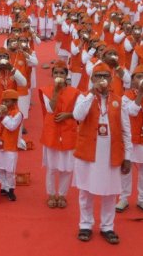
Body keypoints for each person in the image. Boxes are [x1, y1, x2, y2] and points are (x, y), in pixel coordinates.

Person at [72, 62, 133, 245]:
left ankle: (107, 226)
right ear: (92, 79)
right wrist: (92, 93)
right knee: (86, 191)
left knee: (110, 193)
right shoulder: (84, 97)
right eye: (98, 76)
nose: (102, 80)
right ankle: (86, 224)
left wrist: (128, 157)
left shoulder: (120, 100)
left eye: (106, 76)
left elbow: (126, 131)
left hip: (111, 154)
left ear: (112, 79)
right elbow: (77, 115)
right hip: (88, 152)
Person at [117, 65, 143, 215]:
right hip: (130, 138)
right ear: (133, 80)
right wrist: (140, 94)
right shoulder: (126, 96)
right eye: (139, 77)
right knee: (126, 169)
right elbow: (132, 112)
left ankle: (142, 199)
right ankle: (124, 197)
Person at [39, 62, 79, 209]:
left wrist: (68, 115)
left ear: (66, 75)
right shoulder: (46, 91)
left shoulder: (75, 92)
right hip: (52, 132)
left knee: (67, 167)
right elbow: (51, 109)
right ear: (52, 75)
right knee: (52, 167)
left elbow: (80, 113)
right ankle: (51, 194)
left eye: (61, 73)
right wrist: (55, 92)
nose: (58, 76)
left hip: (68, 131)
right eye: (56, 73)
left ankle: (62, 194)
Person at [0, 89, 23, 202]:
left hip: (10, 147)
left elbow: (12, 126)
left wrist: (3, 116)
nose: (4, 104)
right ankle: (3, 186)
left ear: (14, 102)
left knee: (9, 170)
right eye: (3, 101)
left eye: (7, 102)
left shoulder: (18, 114)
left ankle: (11, 189)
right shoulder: (0, 112)